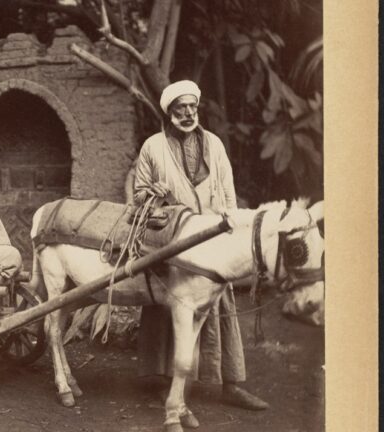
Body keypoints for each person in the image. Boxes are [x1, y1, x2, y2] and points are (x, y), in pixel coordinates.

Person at [133, 80, 269, 410]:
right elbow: (138, 196)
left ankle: (231, 383)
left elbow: (227, 192)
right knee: (167, 304)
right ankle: (163, 382)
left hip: (213, 238)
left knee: (221, 306)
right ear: (169, 114)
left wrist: (231, 224)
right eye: (180, 109)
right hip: (173, 241)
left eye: (192, 107)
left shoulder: (214, 145)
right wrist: (155, 194)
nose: (188, 114)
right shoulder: (153, 147)